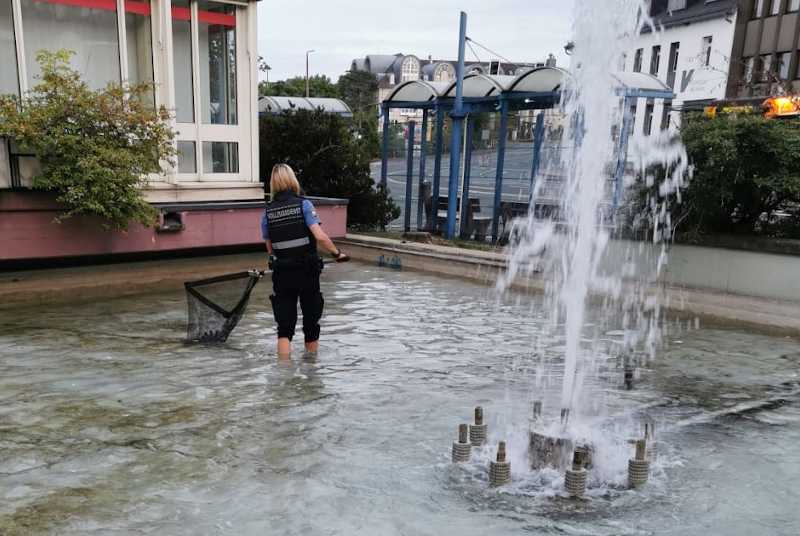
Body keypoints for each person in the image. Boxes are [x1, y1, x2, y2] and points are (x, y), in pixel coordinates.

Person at [261, 164, 348, 357]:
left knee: (284, 328)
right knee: (311, 323)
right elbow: (320, 237)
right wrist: (336, 253)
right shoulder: (304, 205)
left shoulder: (267, 212)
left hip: (282, 274)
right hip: (306, 272)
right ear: (292, 180)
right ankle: (311, 374)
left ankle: (284, 374)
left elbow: (270, 248)